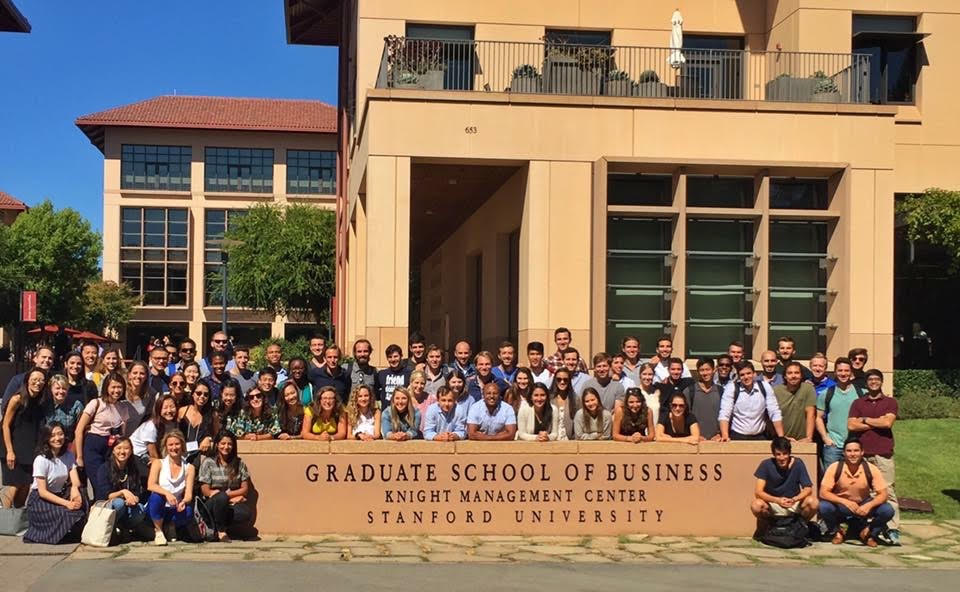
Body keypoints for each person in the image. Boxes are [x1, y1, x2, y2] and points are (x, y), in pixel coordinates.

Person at [847, 369, 900, 545]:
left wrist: (864, 419)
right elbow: (851, 426)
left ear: (881, 382)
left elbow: (887, 423)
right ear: (866, 383)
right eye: (870, 379)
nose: (874, 382)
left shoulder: (890, 402)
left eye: (877, 379)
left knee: (887, 491)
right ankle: (869, 528)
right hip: (863, 454)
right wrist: (876, 422)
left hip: (883, 453)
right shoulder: (858, 402)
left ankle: (892, 529)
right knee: (865, 493)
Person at [819, 438, 895, 548]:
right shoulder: (835, 467)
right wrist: (844, 502)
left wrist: (869, 505)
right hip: (842, 505)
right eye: (849, 451)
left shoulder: (871, 468)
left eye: (856, 451)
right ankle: (837, 532)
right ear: (844, 453)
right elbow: (823, 493)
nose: (853, 454)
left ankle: (869, 533)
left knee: (887, 510)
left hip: (863, 503)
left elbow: (883, 494)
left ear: (862, 452)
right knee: (823, 506)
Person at [23, 423, 86, 544]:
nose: (57, 438)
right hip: (40, 500)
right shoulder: (41, 459)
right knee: (65, 513)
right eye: (52, 435)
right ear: (46, 438)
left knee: (81, 506)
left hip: (58, 495)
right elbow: (42, 492)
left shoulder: (68, 455)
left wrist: (75, 489)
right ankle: (43, 534)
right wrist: (67, 503)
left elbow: (75, 480)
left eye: (60, 434)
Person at [1, 367, 46, 508]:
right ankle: (4, 517)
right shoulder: (17, 399)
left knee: (25, 487)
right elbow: (5, 425)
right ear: (27, 381)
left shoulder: (41, 401)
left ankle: (17, 519)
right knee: (14, 486)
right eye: (34, 379)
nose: (38, 383)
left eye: (41, 380)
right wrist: (10, 451)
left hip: (30, 450)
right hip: (13, 448)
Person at [75, 373, 127, 491]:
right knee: (99, 484)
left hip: (111, 448)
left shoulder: (123, 407)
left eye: (119, 387)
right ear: (106, 388)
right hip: (94, 445)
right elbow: (79, 430)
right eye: (113, 387)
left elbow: (123, 433)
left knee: (111, 483)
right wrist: (79, 457)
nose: (116, 390)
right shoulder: (96, 403)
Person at [750, 437, 817, 527]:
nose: (782, 458)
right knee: (756, 505)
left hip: (793, 502)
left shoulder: (798, 463)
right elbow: (758, 492)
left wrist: (795, 499)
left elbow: (808, 489)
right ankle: (768, 528)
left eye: (785, 454)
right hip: (773, 503)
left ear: (789, 453)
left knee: (813, 502)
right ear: (773, 454)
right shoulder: (765, 464)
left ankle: (800, 527)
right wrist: (777, 500)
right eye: (778, 454)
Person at [94, 437, 152, 542]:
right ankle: (112, 528)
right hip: (108, 505)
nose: (122, 452)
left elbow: (137, 491)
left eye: (126, 448)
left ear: (131, 451)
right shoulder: (104, 468)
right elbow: (106, 495)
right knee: (119, 503)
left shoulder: (133, 468)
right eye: (119, 448)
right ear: (113, 450)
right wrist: (123, 492)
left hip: (127, 505)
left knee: (140, 509)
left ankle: (125, 528)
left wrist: (134, 499)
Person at [198, 431, 252, 542]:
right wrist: (227, 497)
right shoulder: (208, 462)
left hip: (229, 504)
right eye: (223, 443)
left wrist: (227, 497)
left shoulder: (239, 464)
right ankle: (221, 531)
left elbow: (245, 489)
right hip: (211, 504)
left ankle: (216, 528)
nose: (226, 447)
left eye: (229, 444)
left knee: (245, 513)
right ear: (217, 444)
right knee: (221, 498)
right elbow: (206, 491)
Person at [146, 430, 196, 546]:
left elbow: (188, 494)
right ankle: (158, 530)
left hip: (175, 507)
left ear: (182, 445)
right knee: (156, 496)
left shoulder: (189, 468)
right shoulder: (158, 463)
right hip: (158, 506)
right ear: (166, 447)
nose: (174, 448)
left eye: (177, 444)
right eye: (171, 445)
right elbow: (151, 485)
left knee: (188, 511)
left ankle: (170, 526)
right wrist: (167, 493)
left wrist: (184, 501)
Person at [718, 362, 784, 441]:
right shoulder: (732, 388)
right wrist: (725, 435)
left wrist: (781, 437)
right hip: (737, 436)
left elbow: (774, 412)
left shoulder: (765, 386)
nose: (746, 377)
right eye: (742, 375)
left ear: (754, 374)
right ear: (738, 377)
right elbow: (725, 413)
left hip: (760, 436)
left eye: (749, 373)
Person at [816, 357, 863, 467]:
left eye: (846, 371)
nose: (843, 374)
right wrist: (825, 438)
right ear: (835, 372)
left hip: (855, 446)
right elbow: (818, 417)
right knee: (832, 477)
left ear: (851, 372)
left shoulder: (861, 393)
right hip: (833, 446)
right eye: (840, 370)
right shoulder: (826, 393)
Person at [2, 347, 54, 418]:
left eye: (50, 358)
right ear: (35, 359)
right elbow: (5, 406)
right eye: (44, 357)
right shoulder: (18, 380)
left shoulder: (53, 381)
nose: (47, 360)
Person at [130, 395, 178, 472]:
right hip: (138, 455)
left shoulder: (173, 423)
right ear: (159, 410)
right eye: (165, 408)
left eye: (172, 407)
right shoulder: (151, 426)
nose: (169, 411)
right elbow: (153, 454)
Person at [773, 361, 816, 442]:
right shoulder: (776, 391)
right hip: (782, 439)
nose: (793, 376)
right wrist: (781, 437)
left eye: (796, 373)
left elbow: (811, 413)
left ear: (801, 375)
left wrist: (809, 438)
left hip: (802, 439)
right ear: (785, 376)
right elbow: (772, 416)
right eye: (789, 373)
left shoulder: (808, 388)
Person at [681, 358, 722, 440]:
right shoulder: (689, 391)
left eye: (708, 369)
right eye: (702, 370)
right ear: (698, 372)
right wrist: (693, 435)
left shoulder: (721, 391)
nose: (705, 373)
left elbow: (726, 415)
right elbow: (683, 416)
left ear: (714, 370)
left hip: (716, 440)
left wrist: (720, 434)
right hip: (696, 439)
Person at [177, 380, 217, 462]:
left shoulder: (212, 415)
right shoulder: (182, 411)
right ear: (193, 394)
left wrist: (209, 439)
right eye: (198, 393)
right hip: (181, 454)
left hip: (200, 456)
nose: (202, 396)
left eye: (206, 394)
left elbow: (217, 436)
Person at [42, 374, 84, 445]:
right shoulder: (45, 405)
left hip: (68, 446)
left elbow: (80, 430)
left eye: (64, 388)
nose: (61, 391)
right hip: (48, 445)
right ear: (51, 389)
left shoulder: (76, 406)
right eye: (57, 388)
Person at [122, 361, 156, 438]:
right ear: (129, 375)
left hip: (135, 438)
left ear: (146, 376)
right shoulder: (121, 391)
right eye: (135, 373)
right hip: (117, 437)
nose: (138, 376)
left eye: (142, 373)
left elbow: (148, 418)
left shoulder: (150, 394)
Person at [549, 368, 578, 441]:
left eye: (565, 380)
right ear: (555, 381)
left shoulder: (576, 399)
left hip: (569, 441)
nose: (562, 382)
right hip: (551, 440)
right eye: (559, 379)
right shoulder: (548, 399)